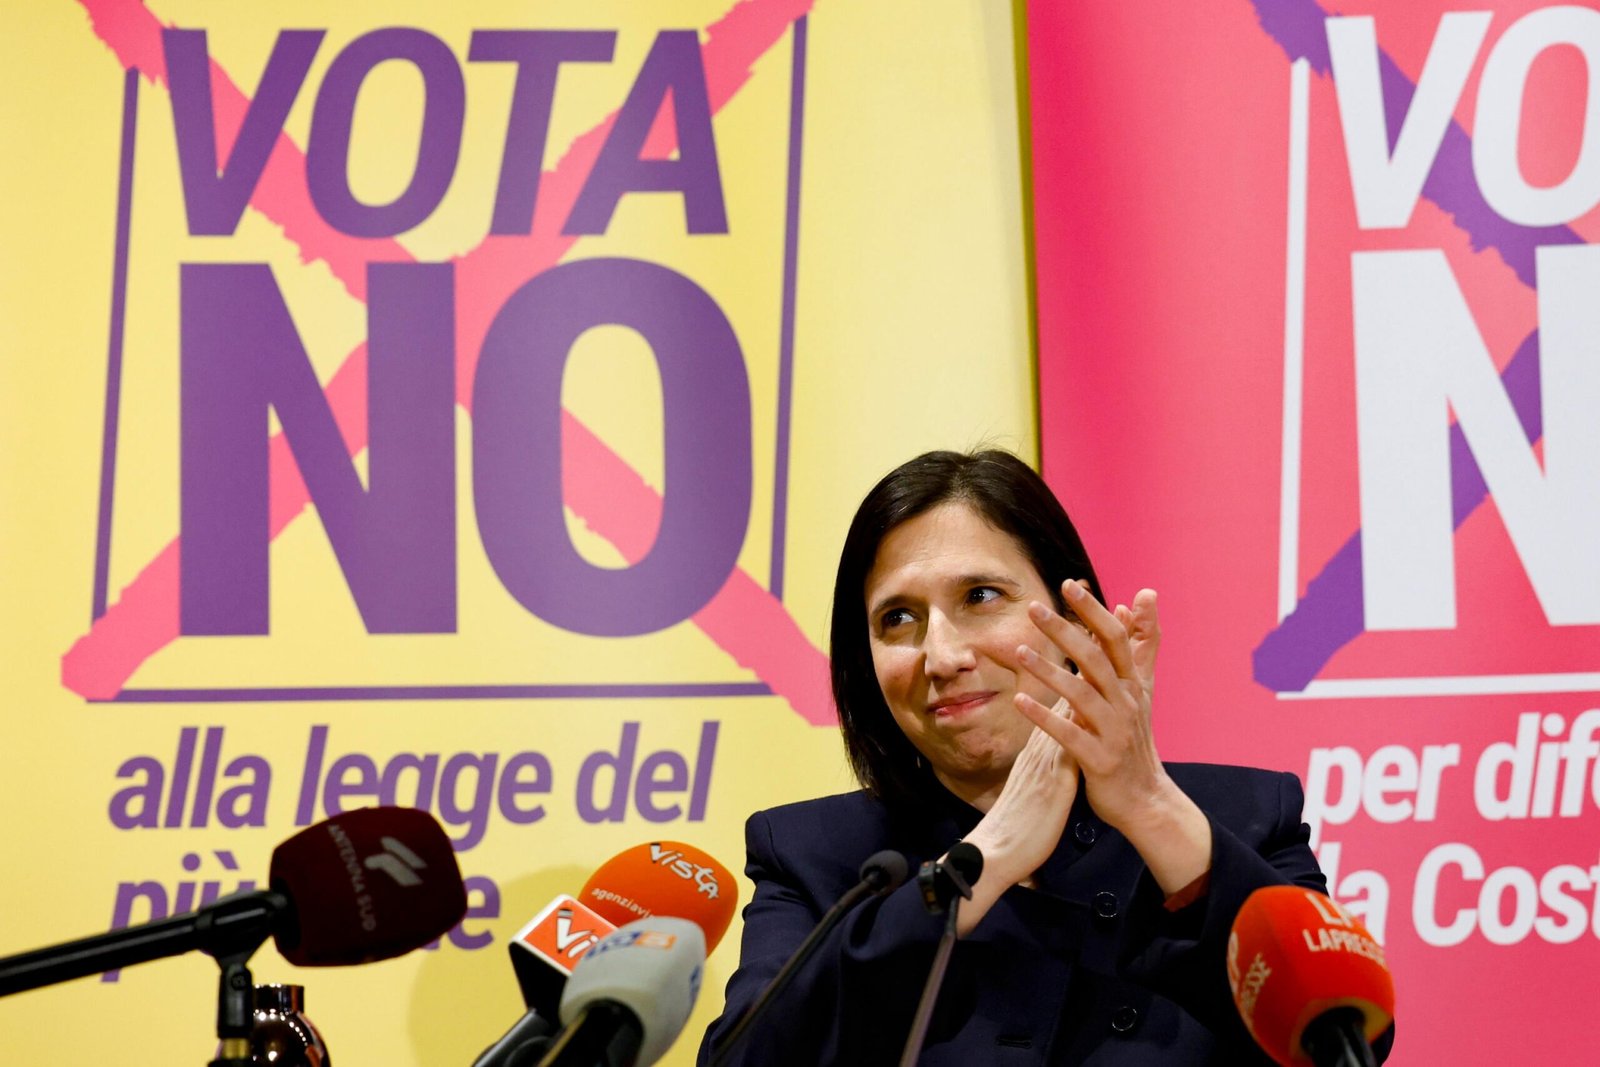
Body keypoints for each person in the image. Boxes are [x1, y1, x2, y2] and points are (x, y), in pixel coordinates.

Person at [697, 450, 1385, 1065]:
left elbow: (1348, 1040)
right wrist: (986, 856)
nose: (942, 656)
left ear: (1076, 618)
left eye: (980, 597)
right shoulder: (815, 856)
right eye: (897, 618)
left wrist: (1148, 805)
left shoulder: (1242, 817)